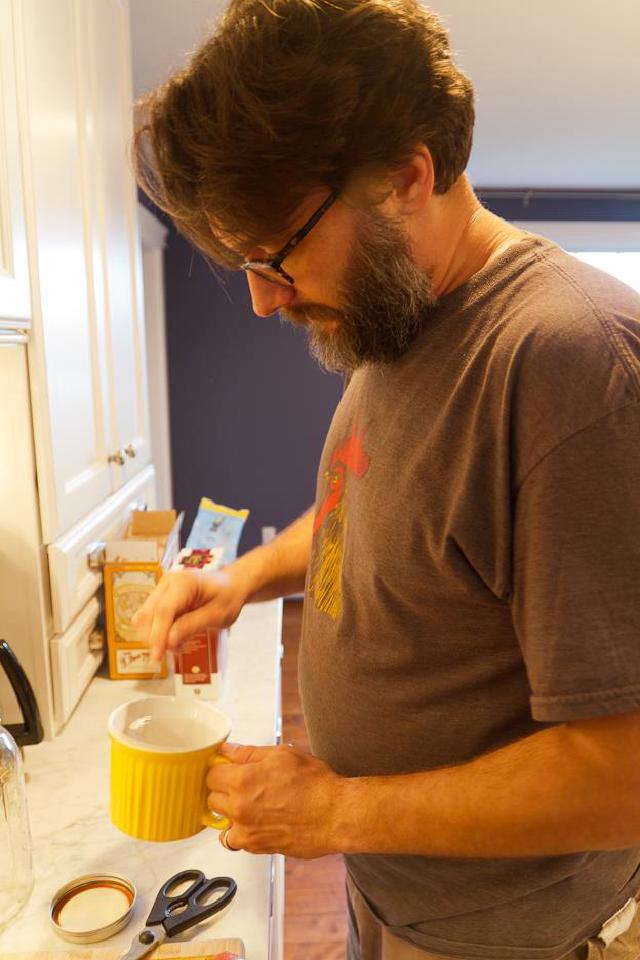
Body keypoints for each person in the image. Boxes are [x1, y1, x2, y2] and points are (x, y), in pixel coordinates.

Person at [131, 1, 640, 957]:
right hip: (402, 903)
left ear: (409, 176)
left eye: (278, 253)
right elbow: (355, 511)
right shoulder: (392, 321)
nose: (262, 297)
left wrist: (336, 813)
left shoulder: (570, 364)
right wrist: (240, 579)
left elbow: (626, 775)